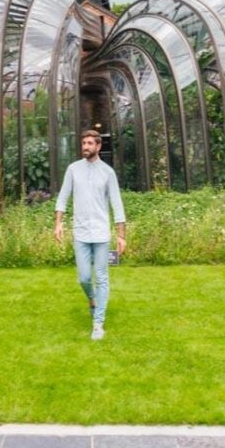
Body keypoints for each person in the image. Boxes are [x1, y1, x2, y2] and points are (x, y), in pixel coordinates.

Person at [54, 129, 126, 340]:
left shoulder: (108, 172)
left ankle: (98, 323)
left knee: (102, 277)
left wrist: (121, 235)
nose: (85, 147)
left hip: (102, 234)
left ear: (98, 146)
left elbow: (117, 204)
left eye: (89, 143)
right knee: (84, 278)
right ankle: (92, 299)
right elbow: (63, 197)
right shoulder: (73, 169)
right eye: (83, 143)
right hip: (81, 233)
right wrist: (58, 223)